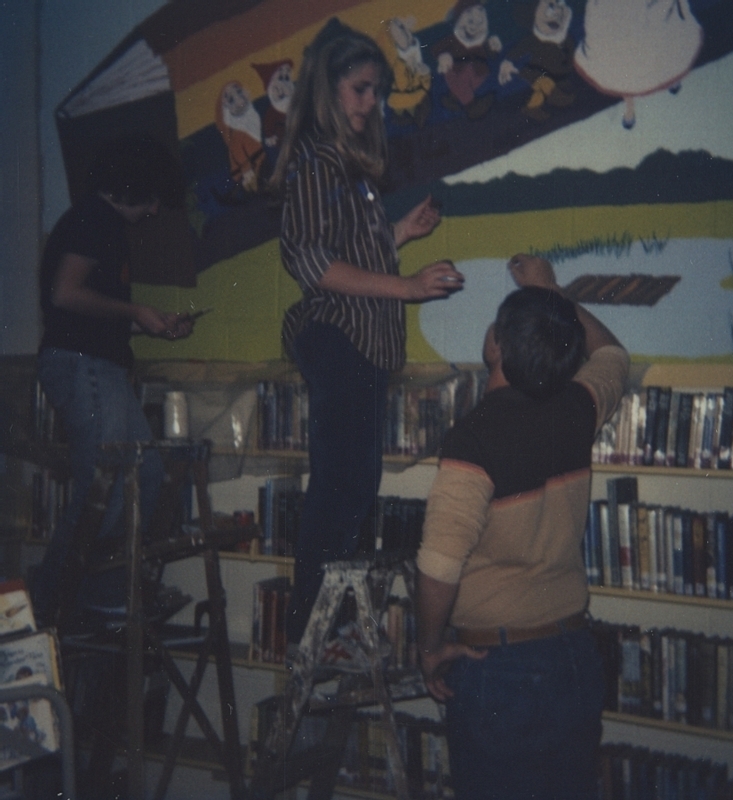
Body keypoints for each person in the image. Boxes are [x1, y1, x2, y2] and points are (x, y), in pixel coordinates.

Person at [271, 18, 465, 647]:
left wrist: (399, 232)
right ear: (328, 91)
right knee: (341, 486)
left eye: (377, 92)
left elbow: (353, 251)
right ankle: (313, 626)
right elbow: (312, 261)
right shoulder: (316, 164)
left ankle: (331, 624)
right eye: (360, 89)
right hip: (338, 340)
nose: (370, 103)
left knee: (353, 487)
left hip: (361, 347)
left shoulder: (347, 171)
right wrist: (408, 286)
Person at [416, 255, 629, 799]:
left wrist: (430, 646)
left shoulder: (473, 438)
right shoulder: (576, 410)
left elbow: (440, 564)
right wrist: (550, 292)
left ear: (495, 347)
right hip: (574, 658)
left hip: (499, 671)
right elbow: (613, 355)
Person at [33, 133, 193, 627]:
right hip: (82, 363)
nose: (151, 212)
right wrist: (134, 310)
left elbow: (88, 305)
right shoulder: (92, 219)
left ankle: (99, 592)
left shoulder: (102, 225)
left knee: (143, 476)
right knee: (102, 486)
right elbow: (64, 294)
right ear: (136, 186)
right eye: (152, 200)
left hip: (99, 364)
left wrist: (149, 322)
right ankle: (47, 603)